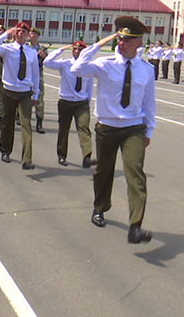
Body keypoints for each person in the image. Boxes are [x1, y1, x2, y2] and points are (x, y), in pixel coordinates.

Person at [71, 16, 156, 244]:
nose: (122, 43)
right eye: (120, 38)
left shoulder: (147, 70)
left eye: (128, 40)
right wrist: (97, 45)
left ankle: (135, 226)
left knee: (135, 173)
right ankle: (100, 207)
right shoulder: (104, 64)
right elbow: (77, 68)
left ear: (139, 42)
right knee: (103, 172)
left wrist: (149, 131)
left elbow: (149, 103)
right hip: (107, 128)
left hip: (134, 128)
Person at [0, 22, 40, 169]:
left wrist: (36, 93)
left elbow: (35, 75)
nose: (21, 32)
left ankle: (27, 159)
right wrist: (5, 34)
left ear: (28, 34)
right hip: (9, 91)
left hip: (25, 92)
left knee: (26, 124)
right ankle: (5, 151)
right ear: (15, 33)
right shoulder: (7, 48)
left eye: (24, 30)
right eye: (18, 30)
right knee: (7, 122)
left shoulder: (31, 53)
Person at [43, 40, 96, 169]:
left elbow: (89, 87)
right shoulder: (65, 64)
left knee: (84, 128)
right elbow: (47, 62)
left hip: (81, 103)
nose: (76, 52)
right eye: (74, 49)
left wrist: (87, 102)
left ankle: (87, 156)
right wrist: (61, 49)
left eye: (79, 50)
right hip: (65, 101)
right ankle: (62, 155)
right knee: (63, 129)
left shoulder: (88, 67)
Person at [28, 27, 47, 133]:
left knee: (39, 100)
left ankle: (39, 123)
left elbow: (48, 61)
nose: (32, 35)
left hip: (38, 77)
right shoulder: (25, 47)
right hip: (26, 76)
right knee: (25, 99)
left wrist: (43, 56)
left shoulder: (43, 48)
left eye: (34, 34)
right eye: (30, 33)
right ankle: (24, 120)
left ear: (38, 36)